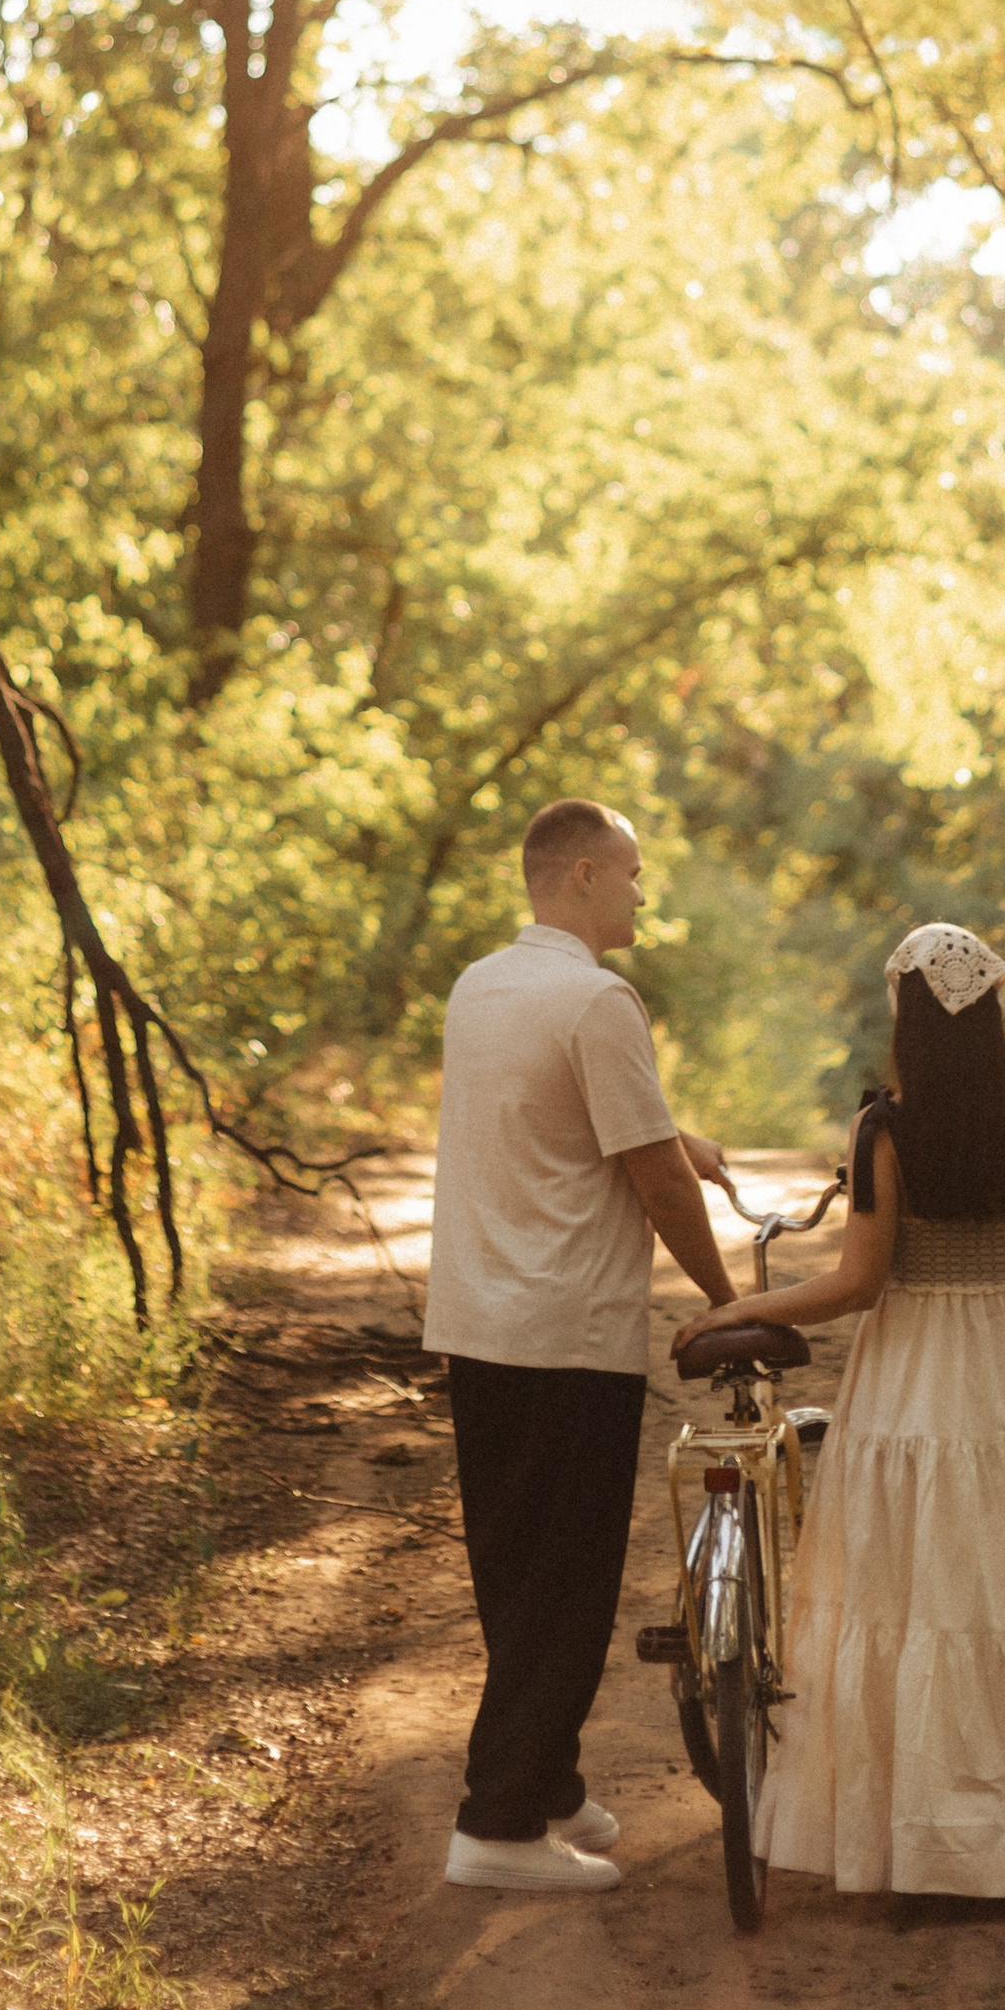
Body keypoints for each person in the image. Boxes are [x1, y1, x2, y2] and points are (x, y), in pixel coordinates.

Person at [674, 920, 1005, 1900]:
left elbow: (856, 1284)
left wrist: (741, 1303)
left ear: (906, 1013)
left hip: (922, 1368)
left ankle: (926, 1834)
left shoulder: (886, 1128)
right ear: (990, 1014)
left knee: (920, 1588)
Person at [424, 798, 738, 1892]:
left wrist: (674, 1133)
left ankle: (547, 1782)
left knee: (516, 1572)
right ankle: (498, 1829)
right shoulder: (602, 999)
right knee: (565, 1584)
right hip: (566, 1333)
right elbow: (649, 1182)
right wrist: (727, 1298)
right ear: (584, 879)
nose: (646, 892)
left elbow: (567, 1118)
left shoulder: (482, 986)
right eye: (635, 872)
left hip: (478, 1326)